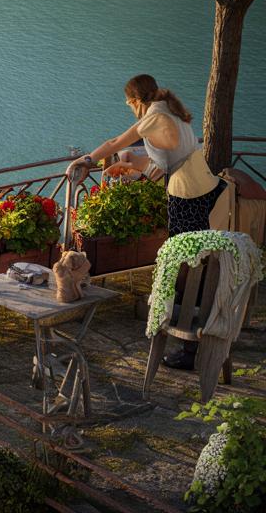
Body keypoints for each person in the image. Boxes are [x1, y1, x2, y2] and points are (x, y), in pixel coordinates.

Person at [69, 74, 225, 370]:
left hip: (187, 194)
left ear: (137, 100)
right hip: (203, 187)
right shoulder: (169, 108)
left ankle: (191, 348)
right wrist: (130, 164)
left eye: (130, 104)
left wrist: (87, 160)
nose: (131, 109)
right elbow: (169, 159)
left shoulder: (153, 117)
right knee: (197, 264)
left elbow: (115, 141)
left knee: (187, 267)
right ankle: (204, 331)